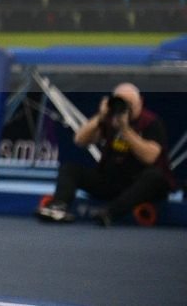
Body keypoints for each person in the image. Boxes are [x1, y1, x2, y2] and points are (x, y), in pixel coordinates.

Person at [37, 83, 174, 226]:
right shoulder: (109, 119)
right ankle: (58, 206)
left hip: (139, 183)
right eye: (121, 103)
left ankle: (109, 213)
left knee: (154, 176)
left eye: (130, 104)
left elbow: (150, 157)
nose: (125, 108)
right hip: (113, 180)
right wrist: (100, 117)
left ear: (140, 102)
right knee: (70, 169)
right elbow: (80, 140)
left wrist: (125, 130)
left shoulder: (150, 122)